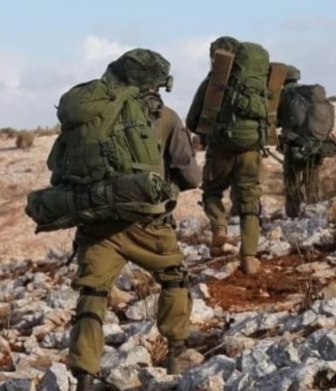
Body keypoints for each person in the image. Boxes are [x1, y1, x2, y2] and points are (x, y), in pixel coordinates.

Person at [58, 50, 203, 390]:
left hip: (97, 223)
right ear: (156, 82)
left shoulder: (89, 117)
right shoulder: (165, 117)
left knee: (93, 294)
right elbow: (191, 176)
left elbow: (62, 167)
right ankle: (177, 351)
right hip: (148, 225)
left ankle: (84, 375)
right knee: (174, 278)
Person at [186, 36, 268, 275]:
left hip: (220, 149)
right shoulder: (257, 82)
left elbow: (193, 120)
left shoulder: (213, 82)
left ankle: (219, 227)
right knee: (249, 203)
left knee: (212, 192)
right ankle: (249, 258)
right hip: (251, 152)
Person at [276, 65, 336, 218]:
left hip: (294, 147)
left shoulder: (285, 96)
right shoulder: (309, 96)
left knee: (291, 182)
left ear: (283, 79)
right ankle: (313, 211)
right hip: (316, 146)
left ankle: (293, 214)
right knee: (312, 182)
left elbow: (277, 121)